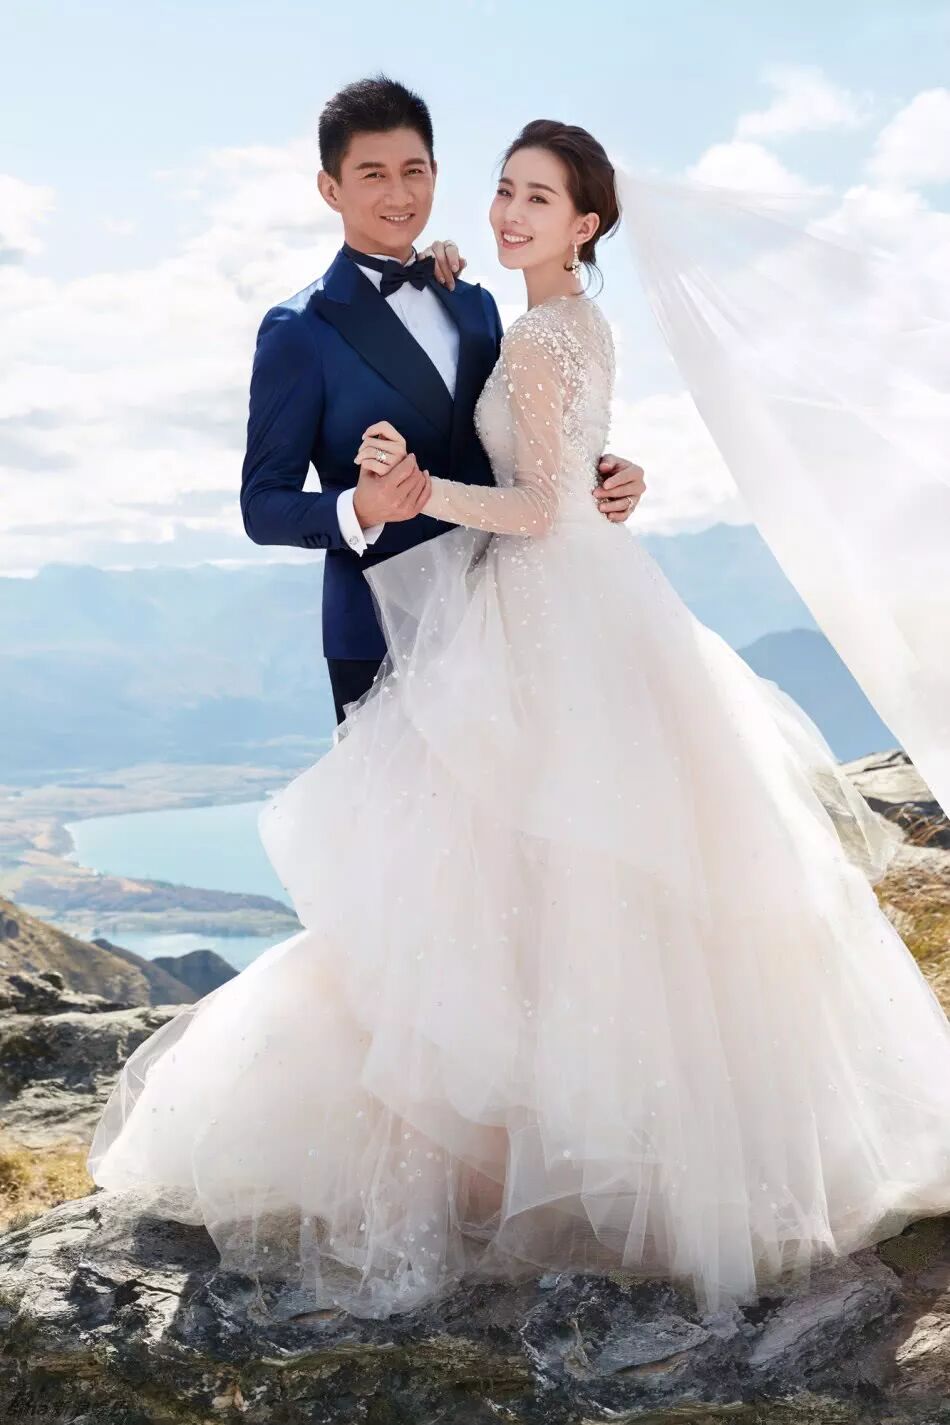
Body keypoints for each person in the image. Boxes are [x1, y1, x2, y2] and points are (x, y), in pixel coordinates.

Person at [87, 118, 950, 1323]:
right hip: (431, 623)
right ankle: (504, 1154)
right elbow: (267, 501)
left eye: (524, 195)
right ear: (331, 186)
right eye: (499, 190)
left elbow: (539, 479)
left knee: (529, 892)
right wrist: (376, 504)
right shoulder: (315, 324)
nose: (490, 210)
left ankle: (515, 1167)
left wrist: (539, 483)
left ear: (582, 221)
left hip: (531, 619)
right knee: (455, 894)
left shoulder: (500, 314)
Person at [238, 74, 645, 725]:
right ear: (330, 188)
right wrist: (359, 507)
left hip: (511, 616)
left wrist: (598, 472)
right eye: (373, 175)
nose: (399, 195)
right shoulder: (299, 330)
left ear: (436, 173)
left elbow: (518, 439)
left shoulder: (475, 304)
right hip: (381, 629)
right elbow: (262, 505)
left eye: (414, 171)